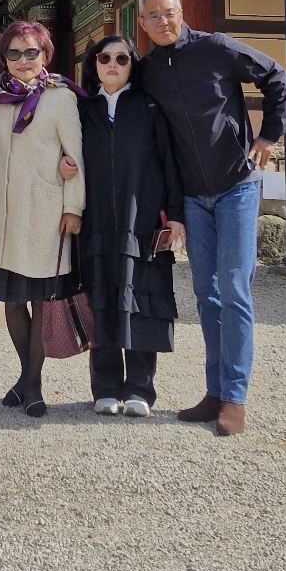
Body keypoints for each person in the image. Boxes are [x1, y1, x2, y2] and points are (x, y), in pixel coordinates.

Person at [136, 0, 286, 436]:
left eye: (169, 12)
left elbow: (276, 76)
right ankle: (214, 391)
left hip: (236, 184)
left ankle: (234, 397)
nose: (164, 21)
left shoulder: (216, 48)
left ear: (182, 11)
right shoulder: (148, 70)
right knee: (207, 294)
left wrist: (269, 135)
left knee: (236, 289)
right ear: (142, 23)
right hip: (192, 196)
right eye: (153, 16)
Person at [0, 20, 85, 418]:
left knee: (40, 301)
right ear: (4, 57)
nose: (23, 60)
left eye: (31, 52)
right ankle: (26, 378)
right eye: (14, 52)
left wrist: (73, 207)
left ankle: (32, 383)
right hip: (3, 214)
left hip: (45, 213)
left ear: (45, 55)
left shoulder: (60, 97)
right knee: (12, 301)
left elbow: (76, 156)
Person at [78, 35, 184, 418]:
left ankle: (140, 388)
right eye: (104, 58)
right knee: (102, 298)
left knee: (142, 301)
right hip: (95, 222)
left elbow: (170, 163)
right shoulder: (82, 110)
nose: (112, 64)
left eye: (121, 59)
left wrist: (175, 215)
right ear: (94, 65)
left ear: (132, 65)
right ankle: (105, 387)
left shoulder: (150, 107)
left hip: (141, 221)